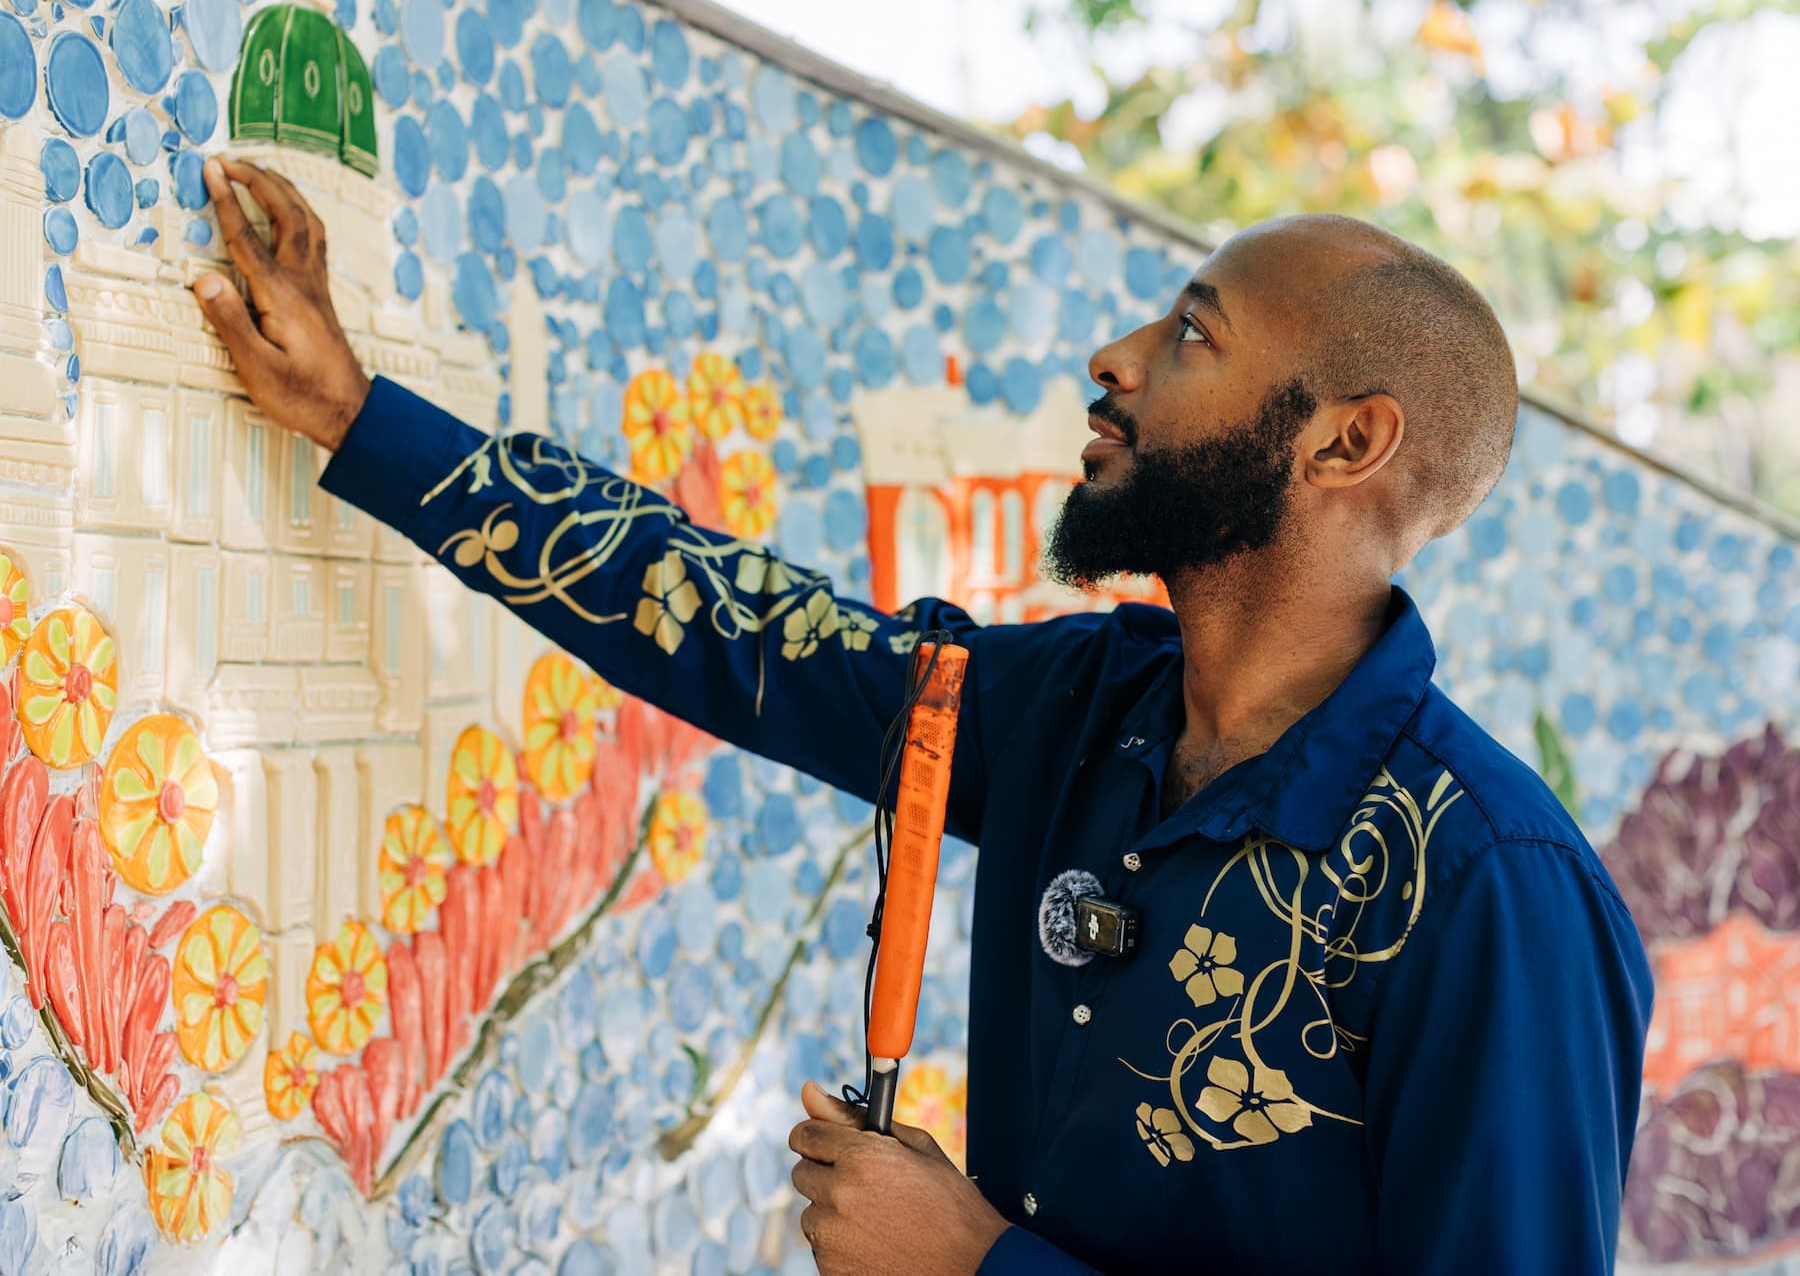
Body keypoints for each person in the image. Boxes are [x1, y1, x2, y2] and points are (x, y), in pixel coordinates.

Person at [191, 154, 1652, 1276]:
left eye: (1194, 333)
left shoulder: (1490, 891)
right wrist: (360, 418)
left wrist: (976, 1261)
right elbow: (735, 626)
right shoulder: (1080, 712)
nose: (1119, 357)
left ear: (1348, 440)